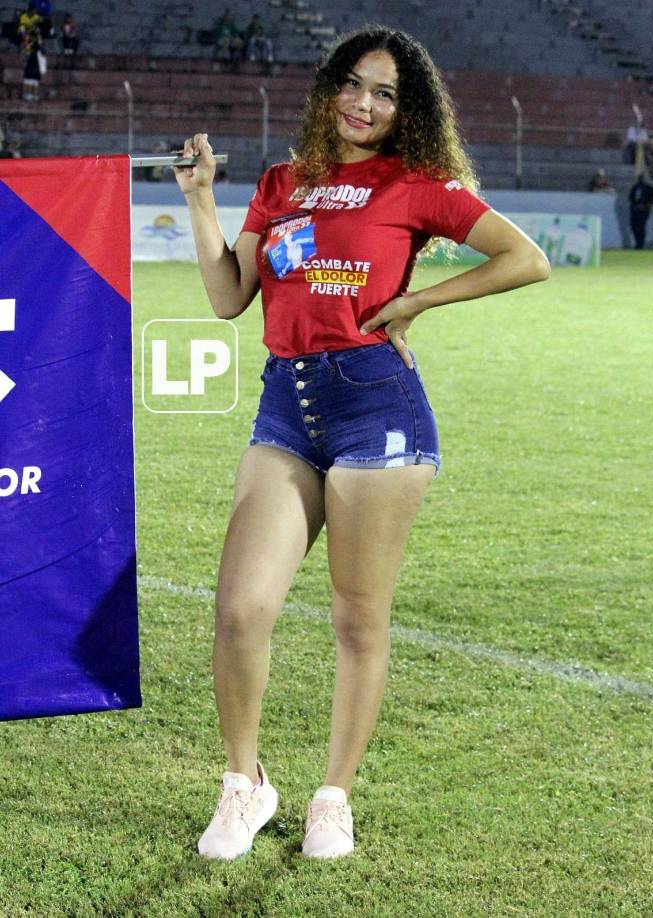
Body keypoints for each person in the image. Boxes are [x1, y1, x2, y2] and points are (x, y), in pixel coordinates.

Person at [174, 25, 550, 863]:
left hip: (376, 406)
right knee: (240, 611)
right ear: (327, 91)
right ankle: (246, 785)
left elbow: (524, 260)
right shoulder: (281, 183)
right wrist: (200, 198)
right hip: (285, 407)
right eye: (352, 85)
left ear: (403, 109)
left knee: (357, 620)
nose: (364, 104)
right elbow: (229, 296)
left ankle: (331, 797)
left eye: (384, 93)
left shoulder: (417, 183)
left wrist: (418, 303)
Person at [628, 174, 653, 249]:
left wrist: (648, 204)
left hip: (644, 210)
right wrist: (635, 205)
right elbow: (630, 198)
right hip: (635, 210)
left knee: (641, 227)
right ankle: (637, 243)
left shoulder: (648, 188)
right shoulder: (635, 187)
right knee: (634, 226)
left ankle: (641, 244)